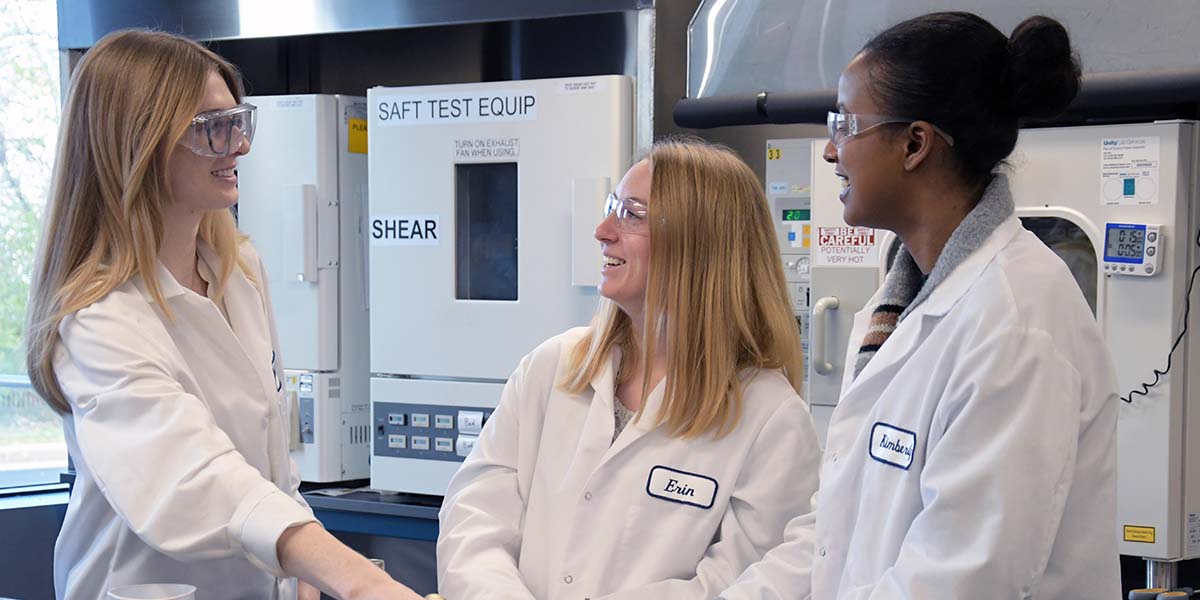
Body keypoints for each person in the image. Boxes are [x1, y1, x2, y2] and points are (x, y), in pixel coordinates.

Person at [720, 12, 1119, 599]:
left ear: (915, 144)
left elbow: (962, 578)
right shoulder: (897, 305)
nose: (831, 150)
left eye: (846, 123)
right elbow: (832, 532)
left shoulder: (1015, 321)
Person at [24, 29, 422, 600]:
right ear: (139, 143)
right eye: (211, 127)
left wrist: (304, 581)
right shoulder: (96, 320)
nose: (239, 144)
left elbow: (269, 463)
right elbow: (192, 475)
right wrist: (354, 579)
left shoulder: (240, 272)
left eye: (238, 119)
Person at [436, 138, 822, 599]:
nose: (602, 231)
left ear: (699, 245)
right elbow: (473, 519)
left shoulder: (768, 418)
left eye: (632, 214)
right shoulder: (552, 367)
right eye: (611, 207)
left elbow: (749, 581)